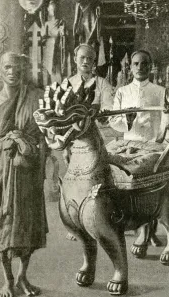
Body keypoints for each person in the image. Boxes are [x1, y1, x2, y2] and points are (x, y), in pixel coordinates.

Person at [0, 52, 48, 297]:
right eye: (8, 67)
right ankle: (7, 280)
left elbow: (43, 137)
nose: (13, 72)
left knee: (29, 225)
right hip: (2, 171)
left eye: (18, 68)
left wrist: (42, 171)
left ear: (24, 71)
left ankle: (22, 275)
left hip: (28, 169)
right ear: (0, 69)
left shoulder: (36, 98)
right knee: (6, 225)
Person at [109, 50, 169, 251]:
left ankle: (147, 231)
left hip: (152, 145)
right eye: (136, 64)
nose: (139, 67)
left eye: (144, 64)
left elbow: (165, 121)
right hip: (130, 144)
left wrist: (163, 140)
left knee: (151, 186)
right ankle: (140, 228)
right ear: (130, 67)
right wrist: (126, 122)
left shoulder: (160, 91)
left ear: (150, 66)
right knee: (127, 184)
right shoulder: (122, 92)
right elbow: (113, 122)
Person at [65, 43, 113, 241]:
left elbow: (108, 111)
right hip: (73, 138)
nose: (86, 62)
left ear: (95, 62)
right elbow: (63, 115)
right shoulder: (67, 83)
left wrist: (101, 114)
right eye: (82, 58)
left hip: (95, 137)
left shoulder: (102, 84)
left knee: (95, 179)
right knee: (73, 180)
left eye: (90, 59)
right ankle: (75, 224)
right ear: (76, 60)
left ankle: (98, 220)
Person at [40, 0, 67, 86]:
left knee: (57, 69)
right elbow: (43, 35)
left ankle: (57, 87)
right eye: (51, 9)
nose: (53, 11)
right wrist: (42, 23)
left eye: (54, 9)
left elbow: (61, 34)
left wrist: (61, 31)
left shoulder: (60, 22)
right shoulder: (47, 23)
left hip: (57, 48)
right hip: (48, 47)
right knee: (48, 69)